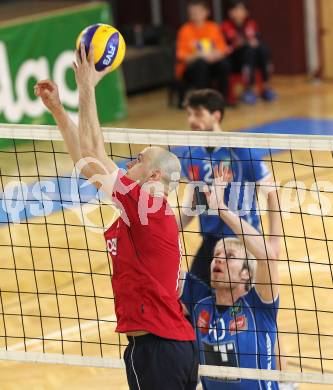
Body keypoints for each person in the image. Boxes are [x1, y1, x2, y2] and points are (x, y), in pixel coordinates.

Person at [34, 44, 198, 390]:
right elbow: (89, 166)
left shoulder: (146, 206)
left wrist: (87, 86)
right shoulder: (144, 213)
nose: (128, 162)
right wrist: (60, 114)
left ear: (154, 176)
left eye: (138, 159)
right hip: (168, 346)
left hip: (157, 349)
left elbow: (94, 154)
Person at [179, 161, 279, 389]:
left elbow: (268, 257)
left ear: (246, 274)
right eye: (217, 255)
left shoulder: (258, 304)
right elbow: (164, 263)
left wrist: (221, 209)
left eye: (230, 256)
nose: (219, 259)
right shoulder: (198, 298)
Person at [175, 89, 281, 286]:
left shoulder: (240, 150)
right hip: (211, 242)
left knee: (240, 304)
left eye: (198, 114)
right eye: (189, 114)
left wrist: (274, 241)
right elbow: (198, 203)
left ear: (216, 116)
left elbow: (272, 193)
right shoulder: (190, 155)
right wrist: (171, 230)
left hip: (242, 240)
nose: (192, 120)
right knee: (190, 301)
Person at [221, 0, 277, 104]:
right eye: (236, 9)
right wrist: (248, 42)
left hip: (252, 56)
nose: (239, 12)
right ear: (230, 12)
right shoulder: (226, 25)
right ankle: (249, 90)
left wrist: (255, 43)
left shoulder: (251, 24)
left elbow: (257, 39)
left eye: (242, 9)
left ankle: (266, 86)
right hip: (234, 59)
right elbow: (235, 42)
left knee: (263, 49)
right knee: (249, 51)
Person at [175, 0, 229, 98]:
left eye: (199, 11)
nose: (196, 15)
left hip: (211, 63)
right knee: (201, 64)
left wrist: (216, 55)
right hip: (191, 68)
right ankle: (202, 100)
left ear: (207, 12)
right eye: (193, 13)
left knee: (224, 64)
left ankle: (223, 98)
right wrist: (199, 55)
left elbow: (223, 49)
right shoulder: (184, 30)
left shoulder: (213, 27)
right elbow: (181, 56)